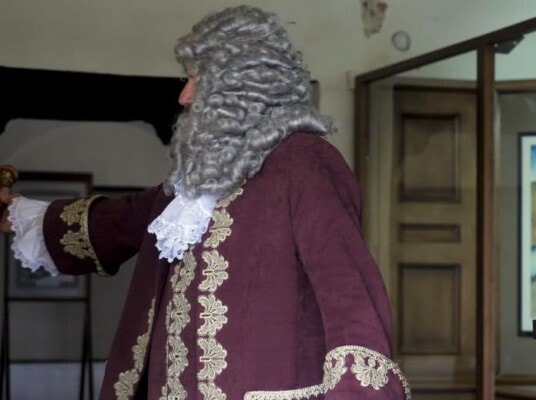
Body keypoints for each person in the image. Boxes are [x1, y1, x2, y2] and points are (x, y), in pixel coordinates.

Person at [0, 5, 411, 400]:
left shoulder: (304, 162)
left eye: (197, 79)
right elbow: (120, 221)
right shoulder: (193, 182)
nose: (184, 96)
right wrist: (15, 213)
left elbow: (350, 297)